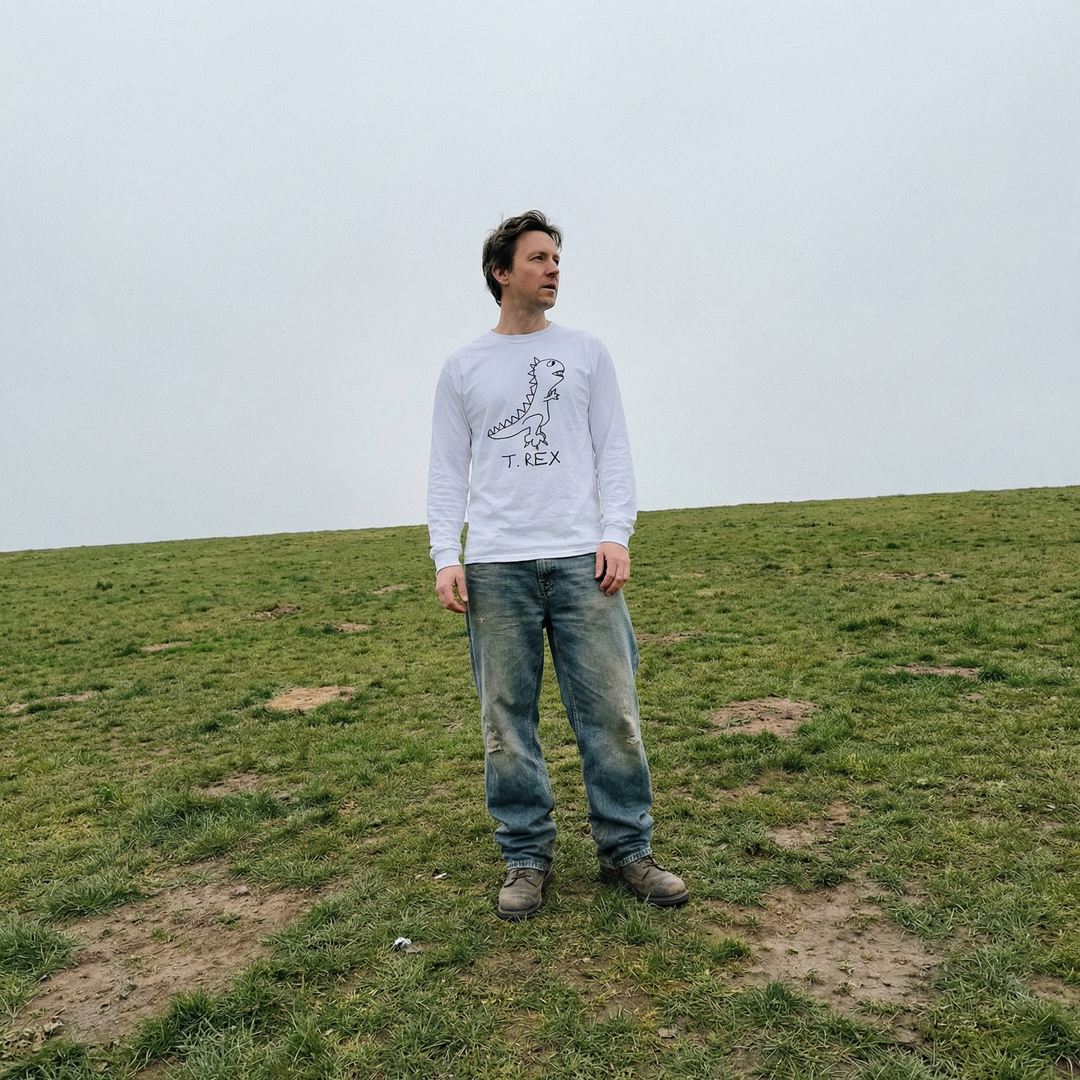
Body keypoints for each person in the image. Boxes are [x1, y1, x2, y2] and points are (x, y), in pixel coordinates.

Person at [426, 211, 688, 920]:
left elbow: (615, 450)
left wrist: (616, 533)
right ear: (500, 272)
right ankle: (525, 857)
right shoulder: (463, 367)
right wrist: (446, 553)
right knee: (505, 723)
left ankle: (627, 851)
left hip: (582, 560)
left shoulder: (587, 353)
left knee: (612, 714)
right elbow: (448, 470)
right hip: (497, 567)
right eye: (538, 258)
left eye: (557, 258)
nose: (553, 269)